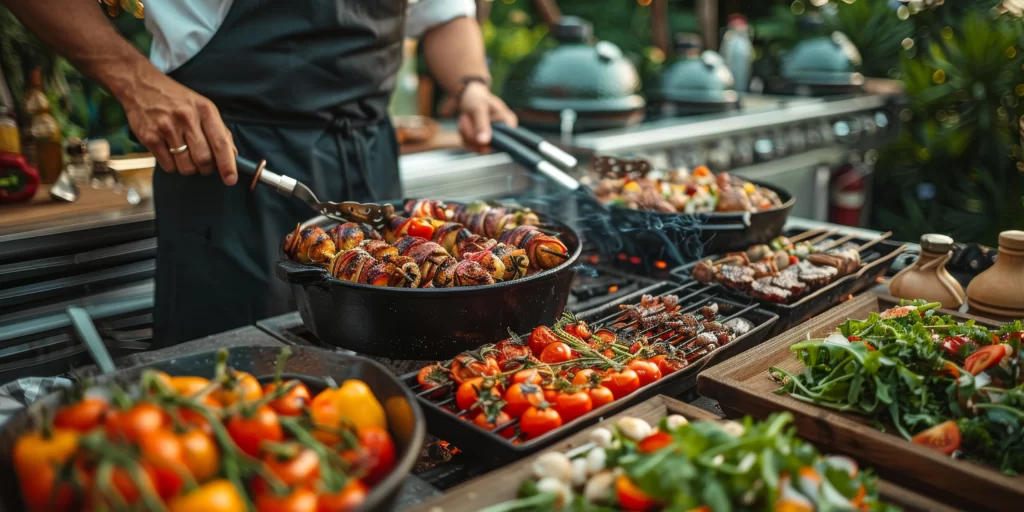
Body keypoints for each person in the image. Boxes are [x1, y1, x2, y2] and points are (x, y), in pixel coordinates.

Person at [4, 0, 518, 347]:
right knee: (235, 376)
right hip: (230, 162)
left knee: (381, 364)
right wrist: (136, 82)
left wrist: (471, 84)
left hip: (367, 164)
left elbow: (443, 12)